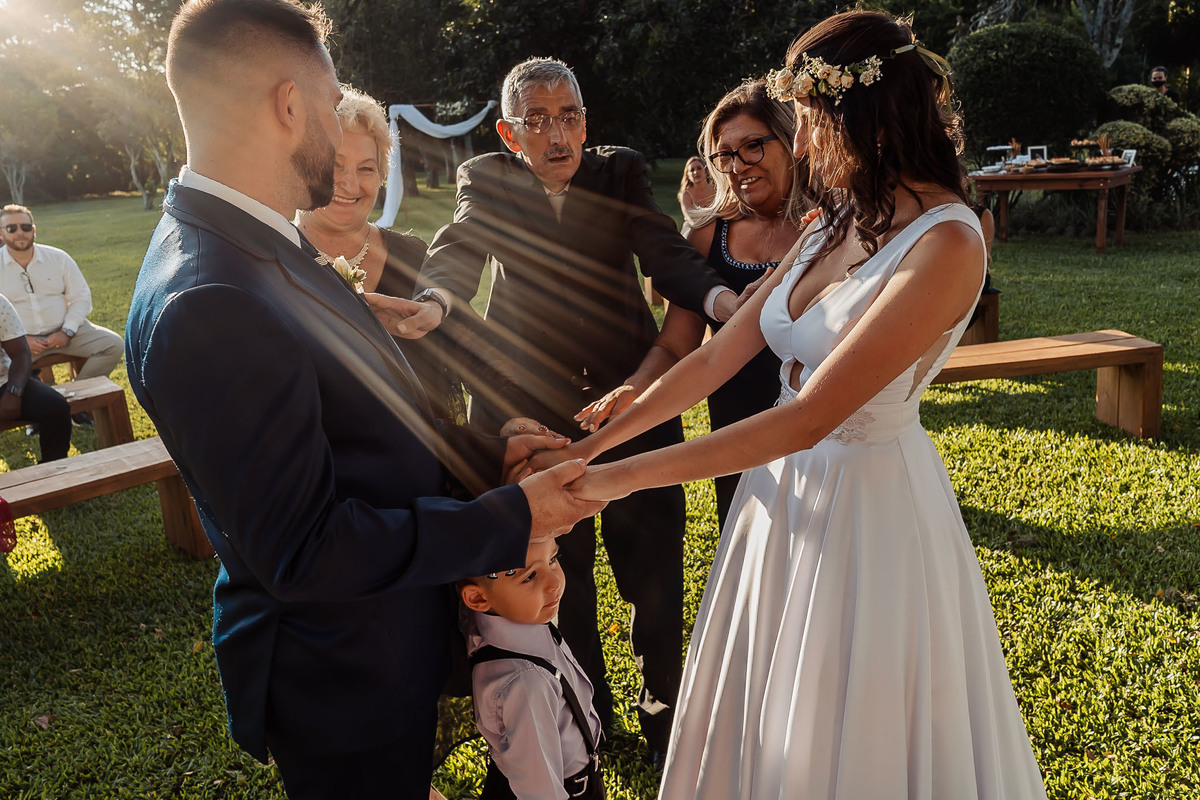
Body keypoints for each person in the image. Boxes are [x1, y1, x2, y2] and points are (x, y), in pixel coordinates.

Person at [545, 10, 1049, 798]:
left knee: (849, 727)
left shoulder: (950, 241)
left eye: (810, 118)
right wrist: (592, 449)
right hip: (778, 499)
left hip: (865, 509)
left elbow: (810, 417)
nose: (802, 138)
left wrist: (622, 478)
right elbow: (717, 356)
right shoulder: (832, 220)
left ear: (865, 117)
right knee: (768, 718)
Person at [125, 2, 603, 798]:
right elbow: (305, 549)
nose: (337, 127)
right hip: (342, 673)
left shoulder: (254, 237)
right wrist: (514, 516)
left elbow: (347, 422)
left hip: (379, 635)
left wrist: (489, 455)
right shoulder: (211, 295)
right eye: (327, 101)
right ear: (287, 106)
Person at [408, 56, 744, 759]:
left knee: (655, 565)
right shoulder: (488, 180)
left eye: (568, 118)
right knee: (562, 573)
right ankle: (588, 713)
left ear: (586, 125)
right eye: (537, 120)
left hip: (633, 399)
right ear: (508, 132)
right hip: (534, 412)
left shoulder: (618, 172)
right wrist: (433, 303)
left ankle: (665, 710)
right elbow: (458, 248)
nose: (556, 135)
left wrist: (722, 303)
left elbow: (659, 247)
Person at [577, 79, 811, 530]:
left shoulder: (832, 225)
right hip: (733, 432)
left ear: (788, 141)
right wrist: (637, 385)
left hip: (819, 421)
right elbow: (677, 344)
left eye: (752, 147)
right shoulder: (707, 236)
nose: (737, 165)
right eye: (724, 155)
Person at [460, 537, 605, 799]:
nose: (554, 583)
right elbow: (540, 791)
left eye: (552, 559)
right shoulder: (526, 683)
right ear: (478, 598)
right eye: (529, 577)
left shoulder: (514, 618)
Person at [0, 205, 125, 390]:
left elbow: (81, 297)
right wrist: (19, 339)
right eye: (11, 228)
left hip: (65, 334)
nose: (20, 233)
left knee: (113, 345)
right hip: (17, 344)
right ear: (1, 234)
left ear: (33, 230)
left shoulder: (58, 258)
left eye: (25, 227)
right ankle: (37, 402)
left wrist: (66, 331)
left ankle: (78, 394)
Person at [0, 293, 71, 462]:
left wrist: (13, 392)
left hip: (3, 382)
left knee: (55, 406)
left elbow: (21, 353)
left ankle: (54, 472)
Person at [677, 156, 715, 236]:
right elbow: (690, 218)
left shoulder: (716, 189)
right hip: (694, 228)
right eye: (692, 170)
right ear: (688, 175)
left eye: (699, 168)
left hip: (716, 226)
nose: (695, 172)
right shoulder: (686, 194)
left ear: (706, 170)